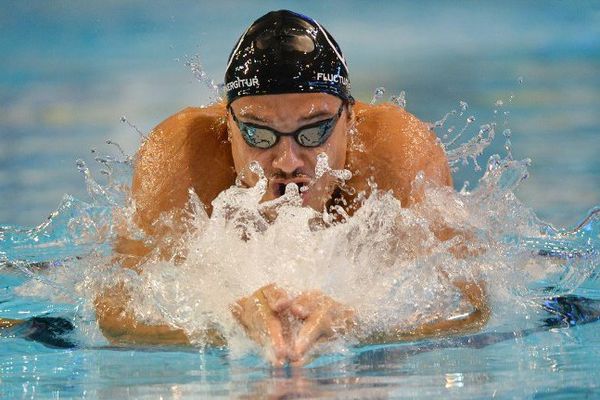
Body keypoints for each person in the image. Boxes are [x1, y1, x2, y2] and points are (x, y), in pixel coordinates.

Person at [91, 10, 489, 366]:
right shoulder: (181, 158)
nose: (288, 162)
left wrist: (360, 326)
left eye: (314, 131)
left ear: (349, 118)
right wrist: (226, 326)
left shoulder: (399, 156)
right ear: (227, 123)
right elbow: (116, 313)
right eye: (258, 134)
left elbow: (473, 307)